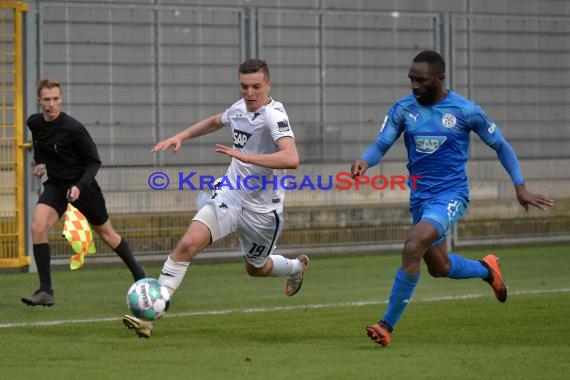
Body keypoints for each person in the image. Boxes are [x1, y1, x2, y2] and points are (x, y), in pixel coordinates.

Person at [351, 50, 555, 347]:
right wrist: (365, 161)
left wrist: (519, 186)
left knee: (412, 246)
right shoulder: (403, 108)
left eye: (421, 80)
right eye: (411, 80)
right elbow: (382, 143)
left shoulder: (464, 110)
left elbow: (501, 146)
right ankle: (487, 269)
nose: (414, 86)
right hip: (420, 198)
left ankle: (386, 325)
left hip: (451, 196)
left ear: (439, 78)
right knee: (439, 268)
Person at [122, 58, 309, 338]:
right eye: (244, 86)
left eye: (256, 86)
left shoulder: (274, 115)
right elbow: (213, 122)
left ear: (268, 84)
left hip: (262, 212)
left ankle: (296, 267)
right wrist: (182, 136)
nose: (249, 93)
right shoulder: (238, 108)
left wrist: (246, 156)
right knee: (186, 245)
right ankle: (151, 319)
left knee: (255, 268)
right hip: (231, 194)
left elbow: (291, 158)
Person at [22, 78, 146, 307]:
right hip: (57, 185)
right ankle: (45, 291)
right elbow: (38, 143)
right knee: (37, 226)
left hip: (83, 186)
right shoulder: (34, 123)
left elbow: (94, 162)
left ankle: (140, 277)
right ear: (39, 101)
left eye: (55, 99)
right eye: (46, 100)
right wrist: (39, 162)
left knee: (107, 235)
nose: (51, 104)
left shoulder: (74, 128)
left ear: (61, 99)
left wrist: (79, 186)